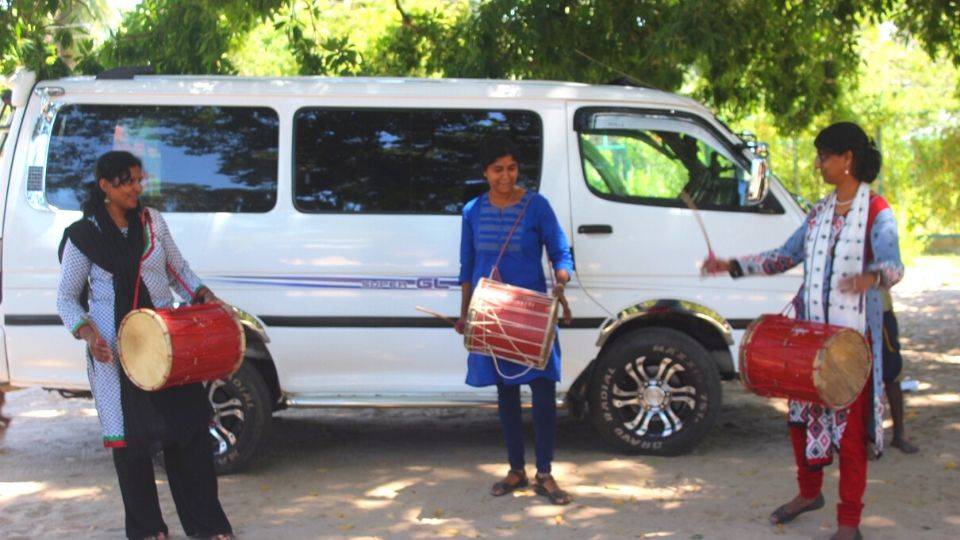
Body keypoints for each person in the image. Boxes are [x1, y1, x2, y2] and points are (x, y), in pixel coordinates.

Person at [703, 122, 903, 540]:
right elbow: (784, 256)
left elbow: (894, 266)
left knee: (850, 437)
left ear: (847, 159)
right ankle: (809, 493)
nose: (817, 164)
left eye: (824, 156)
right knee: (800, 423)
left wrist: (871, 278)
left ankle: (849, 522)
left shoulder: (877, 210)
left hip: (851, 346)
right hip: (811, 342)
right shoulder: (819, 212)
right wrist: (732, 265)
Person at [57, 151, 233, 540]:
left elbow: (178, 271)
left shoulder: (153, 223)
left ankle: (208, 527)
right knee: (131, 447)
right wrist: (90, 336)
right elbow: (66, 298)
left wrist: (204, 296)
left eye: (139, 179)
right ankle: (149, 530)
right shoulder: (83, 236)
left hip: (167, 346)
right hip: (114, 355)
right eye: (128, 181)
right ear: (105, 186)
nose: (137, 188)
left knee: (189, 435)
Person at [456, 137, 575, 505]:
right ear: (485, 173)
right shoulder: (472, 211)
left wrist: (561, 276)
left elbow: (560, 251)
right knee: (505, 392)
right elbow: (467, 266)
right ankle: (515, 470)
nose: (506, 176)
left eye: (511, 168)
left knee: (542, 392)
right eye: (497, 169)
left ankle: (545, 473)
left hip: (532, 315)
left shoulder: (537, 206)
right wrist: (464, 314)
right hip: (491, 314)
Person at [880, 289, 918, 453]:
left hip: (881, 312)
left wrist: (873, 278)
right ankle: (867, 437)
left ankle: (899, 434)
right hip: (849, 314)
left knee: (892, 373)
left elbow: (894, 274)